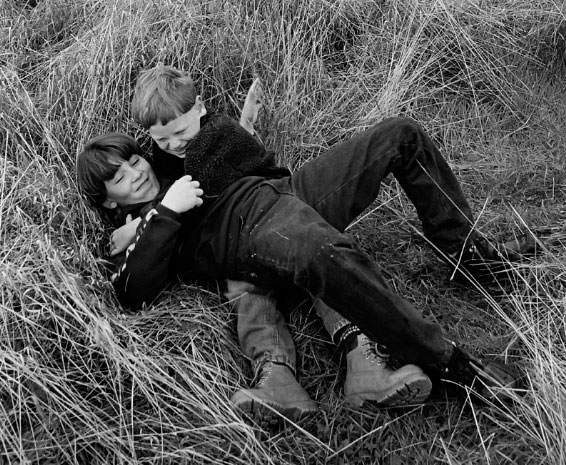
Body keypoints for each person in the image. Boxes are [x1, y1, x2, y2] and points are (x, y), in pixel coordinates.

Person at [78, 65, 533, 405]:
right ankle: (452, 366)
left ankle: (467, 255)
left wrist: (239, 126)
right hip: (250, 227)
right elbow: (132, 287)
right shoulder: (135, 230)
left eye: (134, 161)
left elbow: (220, 149)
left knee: (400, 134)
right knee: (327, 255)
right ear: (109, 201)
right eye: (119, 179)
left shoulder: (171, 155)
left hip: (287, 190)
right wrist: (161, 215)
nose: (137, 173)